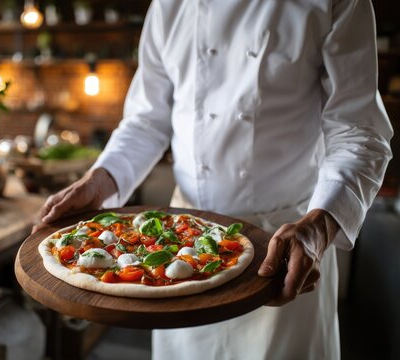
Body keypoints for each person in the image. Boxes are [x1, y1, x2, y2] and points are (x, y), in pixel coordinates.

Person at [33, 0, 393, 358]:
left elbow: (358, 132)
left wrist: (321, 225)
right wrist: (99, 180)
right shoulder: (168, 5)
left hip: (287, 246)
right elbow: (147, 120)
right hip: (175, 247)